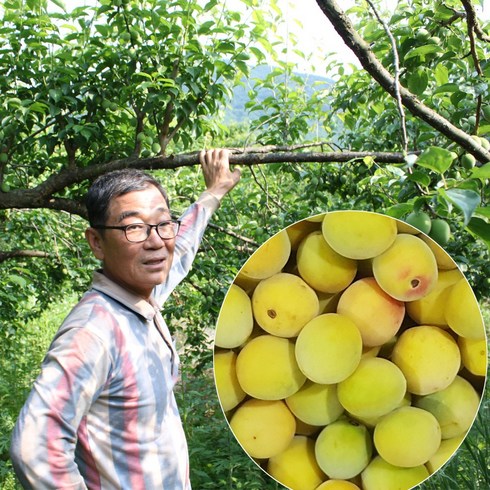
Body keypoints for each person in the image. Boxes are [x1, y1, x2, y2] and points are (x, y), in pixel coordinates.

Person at [10, 149, 241, 489]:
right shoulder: (93, 332)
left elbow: (182, 247)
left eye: (163, 224)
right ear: (97, 242)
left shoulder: (141, 296)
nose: (156, 242)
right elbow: (35, 449)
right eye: (134, 227)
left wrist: (213, 192)